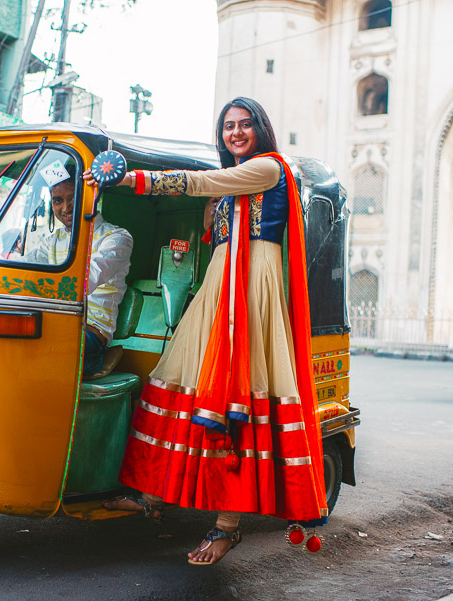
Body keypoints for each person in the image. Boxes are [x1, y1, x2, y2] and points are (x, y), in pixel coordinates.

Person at [84, 97, 327, 565]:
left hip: (251, 293)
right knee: (177, 385)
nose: (235, 133)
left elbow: (203, 181)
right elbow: (211, 226)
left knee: (238, 402)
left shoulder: (269, 169)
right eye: (228, 127)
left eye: (244, 124)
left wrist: (134, 179)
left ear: (261, 128)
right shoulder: (231, 191)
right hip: (219, 290)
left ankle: (227, 527)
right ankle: (151, 495)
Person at [24, 172, 133, 376]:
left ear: (92, 196)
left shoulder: (117, 238)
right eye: (58, 200)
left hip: (89, 336)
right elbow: (23, 265)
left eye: (73, 198)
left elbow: (83, 282)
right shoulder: (53, 241)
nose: (65, 208)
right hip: (53, 326)